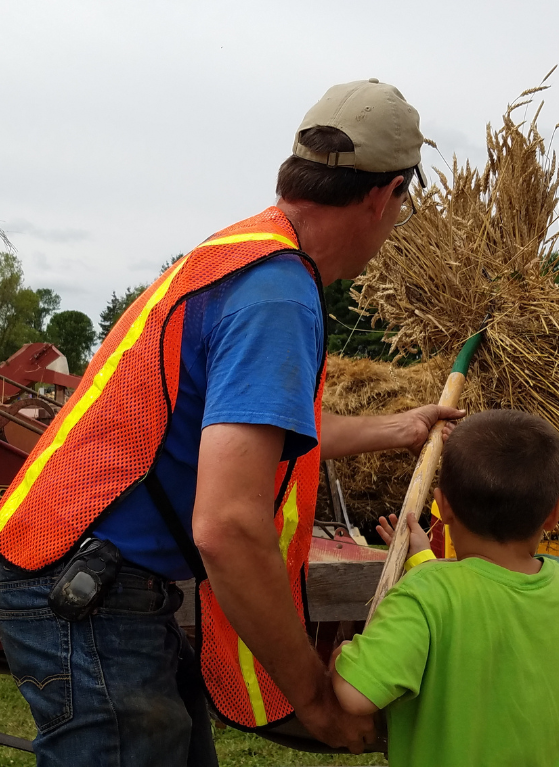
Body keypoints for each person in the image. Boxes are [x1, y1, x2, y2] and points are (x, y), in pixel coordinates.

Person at [0, 79, 465, 766]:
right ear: (384, 194)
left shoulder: (242, 255)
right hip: (89, 589)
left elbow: (258, 435)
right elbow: (227, 524)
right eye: (403, 204)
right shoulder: (277, 293)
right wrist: (313, 697)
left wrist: (399, 427)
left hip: (81, 574)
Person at [331, 409, 559, 767]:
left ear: (443, 506)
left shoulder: (425, 594)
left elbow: (356, 697)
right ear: (555, 512)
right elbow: (490, 597)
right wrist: (422, 559)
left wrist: (342, 658)